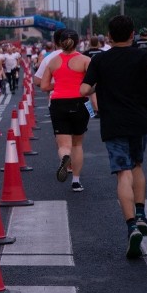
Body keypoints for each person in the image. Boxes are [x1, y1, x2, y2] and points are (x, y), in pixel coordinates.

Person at [80, 15, 147, 258]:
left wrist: (99, 85)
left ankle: (131, 227)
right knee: (137, 165)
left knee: (122, 172)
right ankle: (141, 214)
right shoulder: (142, 54)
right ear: (133, 33)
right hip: (140, 118)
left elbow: (84, 89)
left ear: (110, 36)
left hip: (113, 121)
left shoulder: (102, 59)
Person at [40, 29, 91, 192]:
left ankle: (64, 158)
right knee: (77, 144)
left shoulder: (53, 61)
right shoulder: (85, 60)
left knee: (64, 144)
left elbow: (44, 86)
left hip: (58, 103)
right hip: (79, 103)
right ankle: (76, 181)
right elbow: (92, 85)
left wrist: (61, 84)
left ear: (59, 43)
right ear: (78, 42)